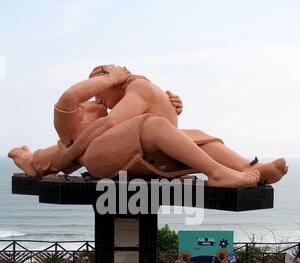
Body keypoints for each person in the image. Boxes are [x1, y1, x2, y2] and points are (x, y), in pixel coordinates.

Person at [9, 65, 288, 188]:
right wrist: (108, 78)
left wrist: (166, 106)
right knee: (152, 125)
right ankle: (217, 173)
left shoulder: (122, 105)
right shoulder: (77, 115)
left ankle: (247, 168)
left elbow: (124, 124)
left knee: (198, 136)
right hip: (98, 159)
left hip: (129, 153)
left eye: (101, 89)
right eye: (96, 88)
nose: (98, 98)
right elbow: (70, 99)